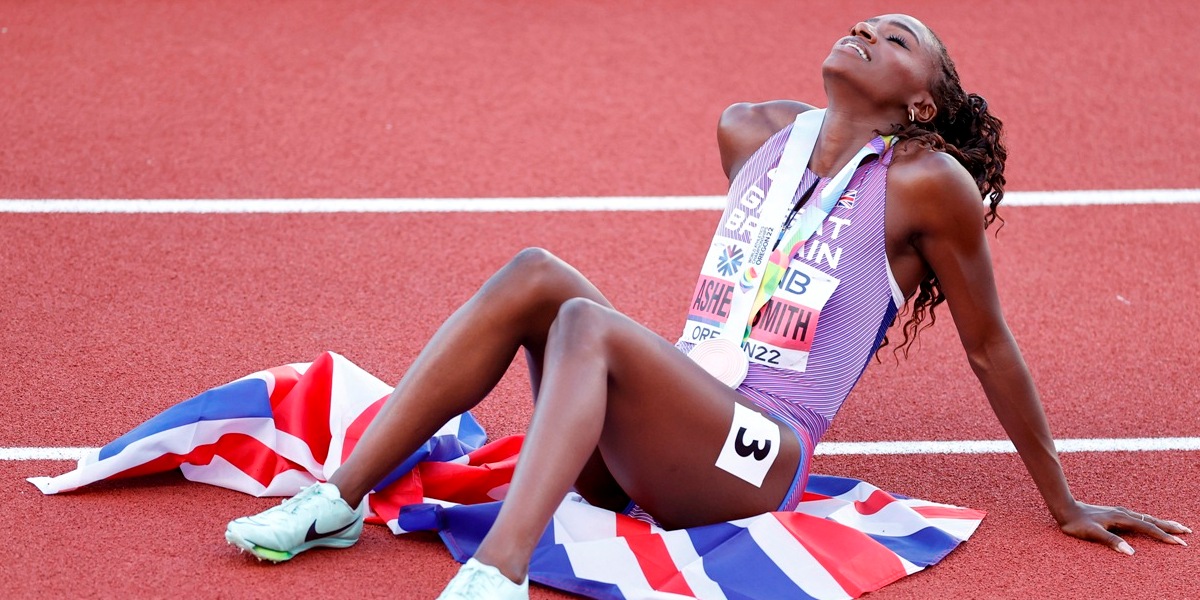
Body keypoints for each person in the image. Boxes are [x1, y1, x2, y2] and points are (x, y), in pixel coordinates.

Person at [225, 13, 1190, 600]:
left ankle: (501, 569)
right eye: (865, 20)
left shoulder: (928, 182)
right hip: (671, 426)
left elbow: (990, 348)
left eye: (897, 41)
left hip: (756, 454)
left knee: (584, 324)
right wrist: (842, 115)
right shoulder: (750, 132)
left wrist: (1059, 499)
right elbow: (790, 165)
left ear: (922, 108)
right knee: (536, 274)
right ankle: (336, 503)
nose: (865, 29)